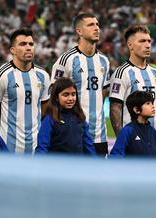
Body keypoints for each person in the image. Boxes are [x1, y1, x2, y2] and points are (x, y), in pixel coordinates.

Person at [51, 13, 110, 156]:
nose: (96, 28)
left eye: (97, 24)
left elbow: (103, 91)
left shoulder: (104, 60)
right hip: (73, 133)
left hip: (99, 135)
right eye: (91, 25)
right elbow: (54, 94)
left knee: (99, 176)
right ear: (79, 31)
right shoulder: (67, 59)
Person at [109, 25, 156, 156]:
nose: (148, 45)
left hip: (152, 141)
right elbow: (115, 108)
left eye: (149, 41)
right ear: (130, 45)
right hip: (133, 142)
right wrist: (123, 141)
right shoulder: (122, 73)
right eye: (142, 41)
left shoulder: (155, 73)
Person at [0, 28, 51, 154]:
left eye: (31, 44)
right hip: (7, 146)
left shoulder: (43, 76)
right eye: (22, 44)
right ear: (12, 50)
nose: (28, 47)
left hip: (35, 147)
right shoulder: (0, 76)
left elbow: (44, 109)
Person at [36, 77, 96, 155]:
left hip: (78, 166)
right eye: (66, 95)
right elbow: (42, 147)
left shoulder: (80, 118)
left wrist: (95, 163)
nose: (71, 98)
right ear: (56, 97)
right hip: (55, 166)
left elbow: (89, 146)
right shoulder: (50, 119)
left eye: (73, 94)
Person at [109, 90, 156, 158]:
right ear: (136, 110)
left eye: (152, 103)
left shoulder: (153, 132)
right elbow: (116, 157)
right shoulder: (127, 131)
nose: (153, 106)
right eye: (148, 103)